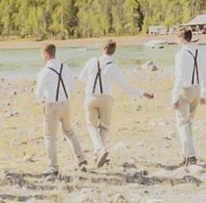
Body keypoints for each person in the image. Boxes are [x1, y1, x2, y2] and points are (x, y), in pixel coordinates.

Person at [34, 42, 86, 175]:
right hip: (65, 103)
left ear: (46, 54)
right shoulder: (65, 68)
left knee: (50, 137)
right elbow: (72, 86)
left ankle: (53, 166)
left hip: (51, 105)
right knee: (69, 131)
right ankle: (81, 158)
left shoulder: (44, 72)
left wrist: (43, 100)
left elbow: (38, 95)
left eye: (42, 55)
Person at [80, 39, 133, 164]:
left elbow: (82, 78)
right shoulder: (113, 67)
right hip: (106, 98)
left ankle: (99, 150)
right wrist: (142, 93)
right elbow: (125, 86)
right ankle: (99, 152)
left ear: (102, 48)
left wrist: (92, 83)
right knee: (104, 127)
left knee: (91, 126)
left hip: (91, 96)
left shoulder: (91, 61)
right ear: (114, 51)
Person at [169, 23, 206, 167]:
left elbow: (179, 77)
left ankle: (191, 155)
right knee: (188, 124)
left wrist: (174, 97)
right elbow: (205, 74)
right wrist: (204, 93)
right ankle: (186, 155)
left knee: (182, 123)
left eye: (177, 38)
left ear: (181, 39)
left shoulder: (180, 55)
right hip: (197, 89)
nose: (176, 41)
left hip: (185, 90)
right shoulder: (200, 53)